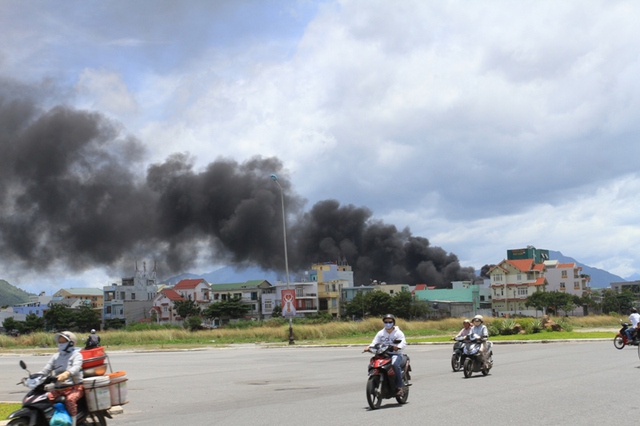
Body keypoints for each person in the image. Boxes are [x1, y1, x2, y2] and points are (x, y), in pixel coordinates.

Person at [39, 331, 84, 426]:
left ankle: (73, 422)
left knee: (70, 400)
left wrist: (67, 373)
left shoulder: (76, 355)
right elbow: (46, 369)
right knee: (46, 399)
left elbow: (76, 367)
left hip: (74, 387)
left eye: (63, 342)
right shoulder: (56, 356)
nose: (60, 344)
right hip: (58, 388)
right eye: (59, 342)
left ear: (71, 343)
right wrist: (36, 376)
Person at [365, 314, 407, 396]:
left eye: (390, 322)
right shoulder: (380, 333)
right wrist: (368, 347)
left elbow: (403, 342)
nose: (388, 323)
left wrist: (398, 347)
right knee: (372, 364)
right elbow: (374, 342)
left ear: (393, 322)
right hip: (383, 354)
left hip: (395, 354)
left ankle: (399, 387)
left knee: (394, 364)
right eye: (386, 322)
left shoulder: (398, 333)